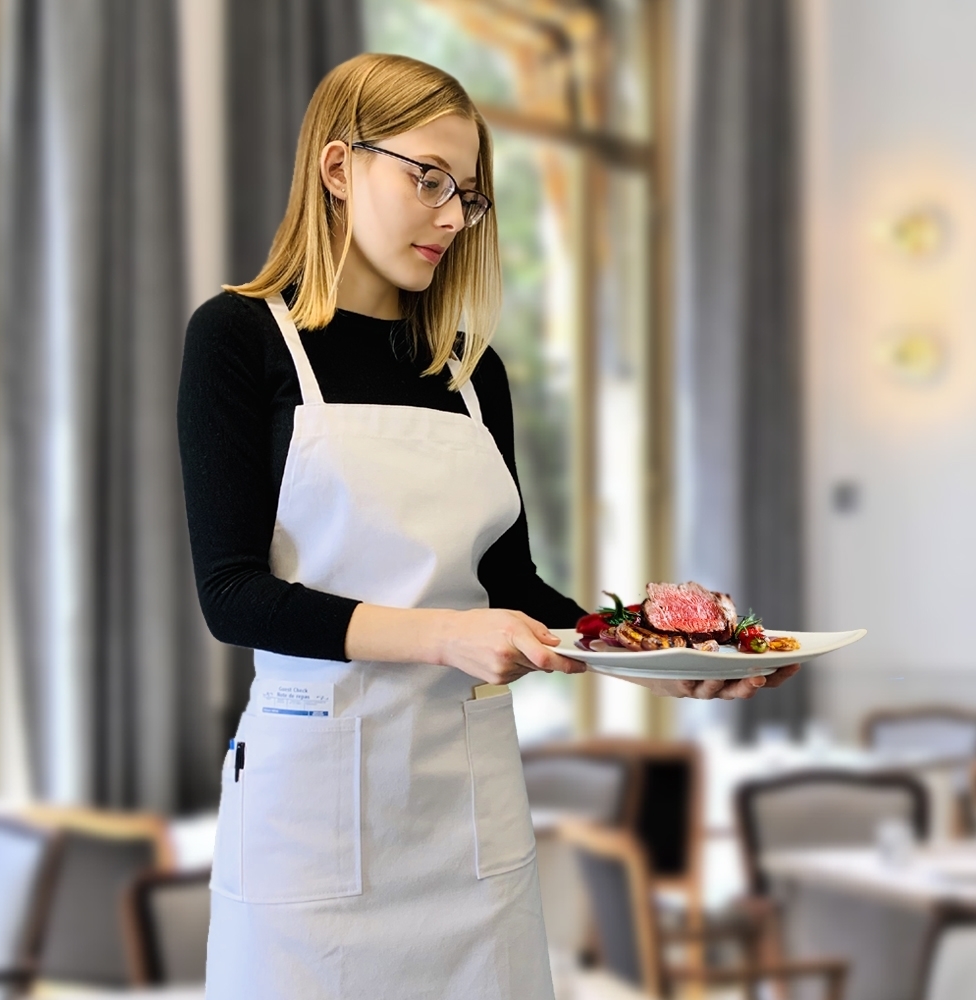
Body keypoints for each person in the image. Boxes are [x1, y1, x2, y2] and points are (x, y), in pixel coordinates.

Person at [177, 51, 799, 1000]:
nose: (450, 216)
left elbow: (513, 590)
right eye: (427, 179)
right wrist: (446, 637)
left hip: (468, 818)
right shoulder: (240, 337)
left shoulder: (472, 372)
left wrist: (651, 655)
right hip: (309, 818)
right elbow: (234, 597)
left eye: (469, 195)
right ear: (338, 168)